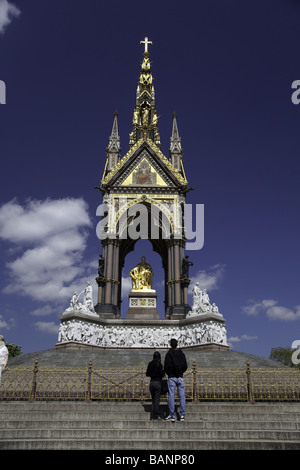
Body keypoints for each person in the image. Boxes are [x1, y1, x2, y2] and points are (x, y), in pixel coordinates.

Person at [164, 338, 187, 422]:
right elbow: (185, 365)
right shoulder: (181, 354)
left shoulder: (168, 354)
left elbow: (166, 366)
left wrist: (169, 373)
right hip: (180, 377)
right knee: (182, 396)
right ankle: (182, 415)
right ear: (177, 344)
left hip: (172, 377)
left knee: (171, 395)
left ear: (170, 345)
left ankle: (172, 415)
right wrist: (181, 372)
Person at [146, 351, 165, 420]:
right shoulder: (159, 364)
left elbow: (147, 374)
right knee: (156, 400)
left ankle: (152, 415)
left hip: (152, 383)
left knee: (153, 400)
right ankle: (156, 415)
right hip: (158, 383)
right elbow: (162, 374)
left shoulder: (150, 364)